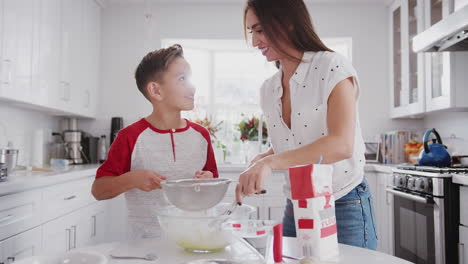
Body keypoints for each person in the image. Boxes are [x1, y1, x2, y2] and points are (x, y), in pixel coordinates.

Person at [236, 0, 377, 249]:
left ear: (287, 23)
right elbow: (290, 145)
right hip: (297, 204)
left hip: (342, 203)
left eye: (260, 30)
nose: (255, 42)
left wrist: (270, 163)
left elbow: (341, 145)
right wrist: (260, 161)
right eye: (251, 32)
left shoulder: (332, 66)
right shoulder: (269, 89)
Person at [91, 44, 218, 239]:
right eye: (182, 79)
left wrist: (209, 181)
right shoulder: (129, 137)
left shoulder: (201, 135)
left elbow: (214, 185)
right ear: (156, 90)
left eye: (190, 78)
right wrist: (132, 179)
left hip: (195, 239)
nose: (192, 86)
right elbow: (99, 190)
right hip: (145, 246)